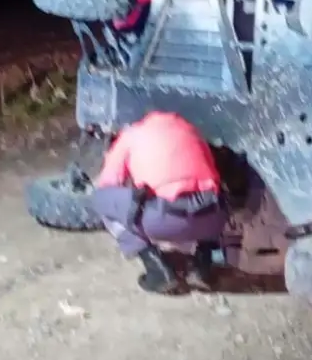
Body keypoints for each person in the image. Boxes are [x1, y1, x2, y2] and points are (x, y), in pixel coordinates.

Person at [92, 111, 227, 294]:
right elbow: (214, 177)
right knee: (207, 191)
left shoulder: (131, 135)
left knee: (101, 198)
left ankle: (156, 267)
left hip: (162, 220)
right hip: (213, 219)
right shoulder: (192, 131)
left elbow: (107, 183)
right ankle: (203, 265)